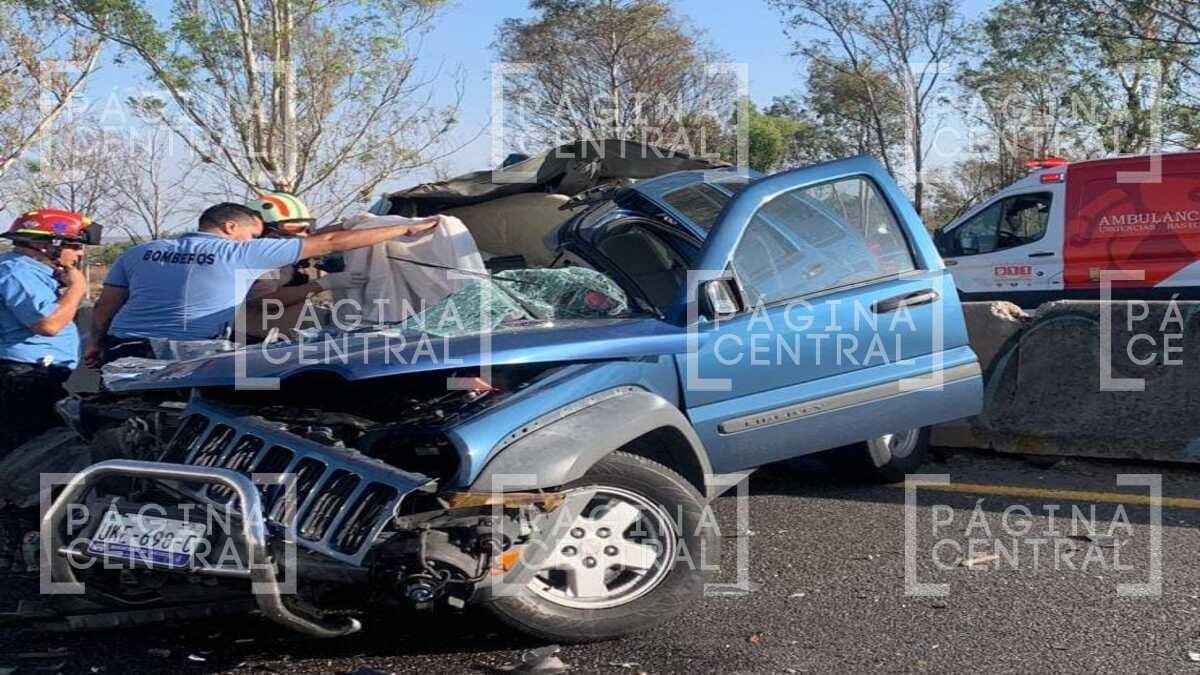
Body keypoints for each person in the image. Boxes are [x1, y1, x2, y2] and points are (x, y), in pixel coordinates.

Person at [84, 202, 438, 366]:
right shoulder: (242, 254)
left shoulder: (141, 252)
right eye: (252, 234)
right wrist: (407, 228)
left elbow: (106, 307)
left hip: (124, 346)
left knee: (122, 415)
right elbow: (331, 243)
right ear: (230, 228)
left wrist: (97, 344)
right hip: (189, 352)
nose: (255, 241)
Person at [0, 209, 100, 451]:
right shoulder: (18, 272)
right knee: (34, 451)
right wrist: (78, 288)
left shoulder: (31, 272)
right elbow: (49, 324)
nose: (79, 253)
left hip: (35, 375)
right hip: (23, 378)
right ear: (47, 245)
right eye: (74, 246)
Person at [241, 191, 364, 338]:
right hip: (260, 341)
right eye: (295, 227)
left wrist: (347, 225)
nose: (305, 235)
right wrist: (322, 284)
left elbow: (312, 238)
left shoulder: (283, 251)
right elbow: (266, 300)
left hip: (291, 335)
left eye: (308, 227)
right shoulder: (259, 261)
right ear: (264, 231)